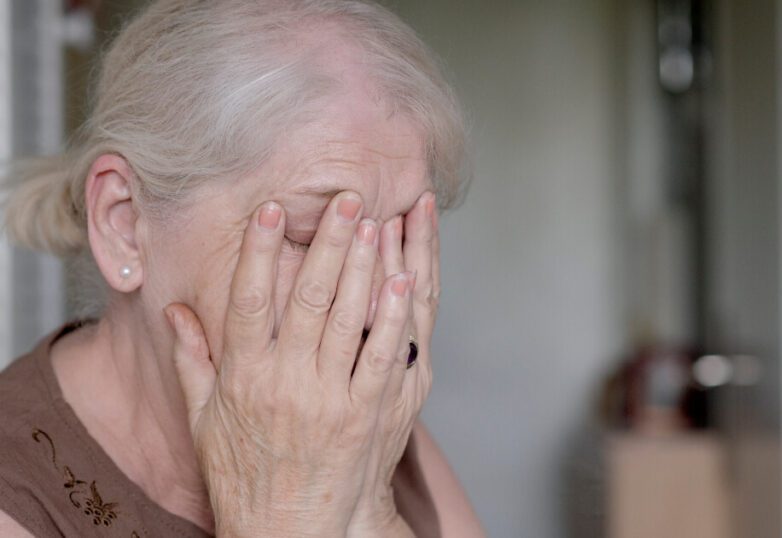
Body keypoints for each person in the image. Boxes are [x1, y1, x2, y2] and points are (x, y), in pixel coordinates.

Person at [0, 1, 484, 536]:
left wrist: (370, 506)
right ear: (124, 224)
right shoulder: (18, 499)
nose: (375, 308)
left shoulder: (363, 423)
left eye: (397, 236)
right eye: (309, 237)